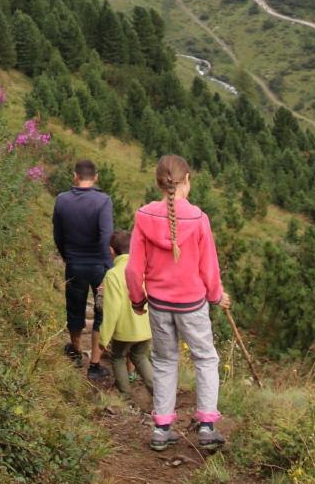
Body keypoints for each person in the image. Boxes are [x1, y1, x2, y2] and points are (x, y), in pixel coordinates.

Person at [125, 154, 230, 452]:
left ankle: (161, 429)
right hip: (192, 304)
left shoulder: (144, 216)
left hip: (159, 304)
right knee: (205, 359)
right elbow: (209, 267)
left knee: (165, 361)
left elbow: (134, 269)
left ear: (159, 182)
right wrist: (216, 295)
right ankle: (207, 426)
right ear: (187, 181)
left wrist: (137, 300)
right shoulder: (198, 218)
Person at [52, 158, 113, 380]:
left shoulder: (62, 200)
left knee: (74, 309)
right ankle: (95, 365)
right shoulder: (103, 201)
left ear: (75, 176)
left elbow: (58, 235)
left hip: (75, 264)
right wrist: (108, 265)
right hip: (99, 265)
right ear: (95, 177)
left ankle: (76, 351)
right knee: (100, 314)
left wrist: (68, 256)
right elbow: (106, 235)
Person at [99, 229, 153, 398]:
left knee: (117, 357)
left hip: (124, 331)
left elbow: (112, 309)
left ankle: (125, 395)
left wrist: (104, 337)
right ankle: (160, 393)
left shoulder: (113, 275)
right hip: (145, 328)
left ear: (111, 250)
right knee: (140, 356)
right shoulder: (143, 270)